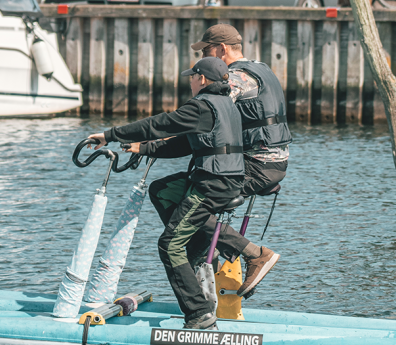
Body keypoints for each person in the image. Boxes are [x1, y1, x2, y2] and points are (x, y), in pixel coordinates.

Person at [87, 57, 279, 330]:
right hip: (221, 179)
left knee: (169, 245)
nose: (190, 81)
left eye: (192, 77)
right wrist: (145, 149)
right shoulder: (226, 104)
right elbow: (185, 144)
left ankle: (199, 313)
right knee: (162, 189)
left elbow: (160, 124)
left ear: (202, 79)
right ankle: (195, 250)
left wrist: (110, 134)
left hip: (212, 184)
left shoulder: (202, 105)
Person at [189, 24, 292, 298]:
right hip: (272, 161)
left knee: (191, 206)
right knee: (197, 198)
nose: (202, 61)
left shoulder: (235, 78)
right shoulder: (261, 67)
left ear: (222, 50)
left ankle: (254, 255)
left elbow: (206, 112)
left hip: (257, 165)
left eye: (207, 51)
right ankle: (212, 279)